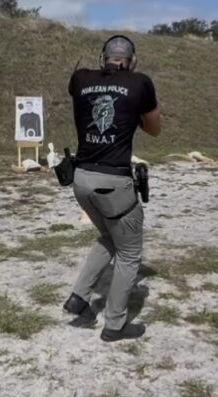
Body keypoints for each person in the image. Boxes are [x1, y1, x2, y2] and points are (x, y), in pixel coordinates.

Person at [62, 35, 161, 342]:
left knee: (108, 237)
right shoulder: (140, 82)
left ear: (102, 57)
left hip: (81, 180)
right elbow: (155, 128)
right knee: (130, 252)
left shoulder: (80, 79)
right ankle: (115, 324)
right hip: (113, 182)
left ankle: (79, 297)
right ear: (131, 60)